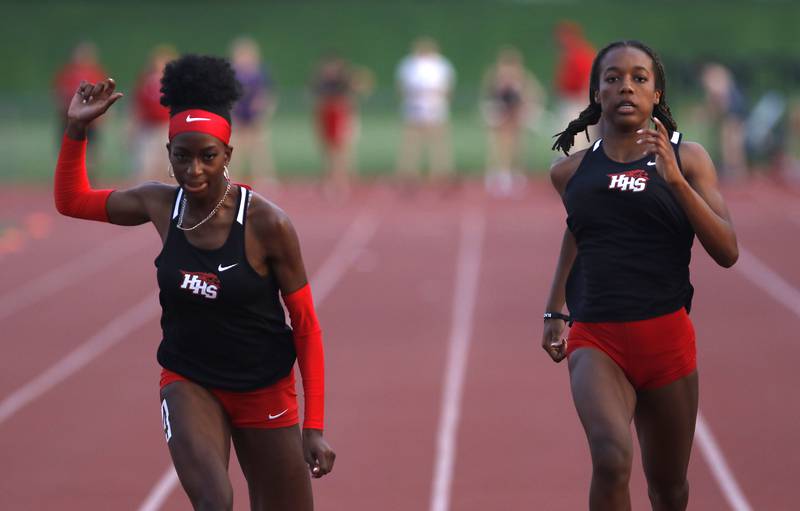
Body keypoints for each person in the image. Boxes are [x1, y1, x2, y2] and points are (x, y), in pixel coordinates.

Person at [53, 54, 335, 510]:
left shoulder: (267, 224)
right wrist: (77, 130)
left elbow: (305, 324)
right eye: (181, 157)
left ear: (228, 155)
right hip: (191, 380)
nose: (194, 171)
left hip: (263, 385)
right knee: (213, 500)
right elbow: (72, 201)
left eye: (207, 157)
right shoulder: (160, 205)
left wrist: (314, 425)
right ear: (168, 155)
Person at [542, 41, 738, 511]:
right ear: (597, 93)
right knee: (611, 458)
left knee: (669, 490)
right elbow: (580, 230)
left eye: (638, 78)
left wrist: (674, 181)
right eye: (613, 78)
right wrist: (554, 308)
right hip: (597, 339)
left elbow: (727, 250)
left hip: (666, 340)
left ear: (656, 94)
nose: (625, 86)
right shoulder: (570, 172)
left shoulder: (688, 160)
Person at [481, 46, 544, 197]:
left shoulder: (522, 76)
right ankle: (498, 172)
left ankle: (515, 172)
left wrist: (528, 106)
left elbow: (534, 92)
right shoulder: (495, 76)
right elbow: (488, 94)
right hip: (501, 114)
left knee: (516, 144)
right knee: (499, 144)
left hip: (515, 114)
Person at [395, 37, 456, 188]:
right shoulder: (409, 64)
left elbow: (447, 88)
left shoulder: (441, 65)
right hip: (414, 107)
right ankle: (409, 174)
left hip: (435, 107)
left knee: (438, 142)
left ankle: (440, 174)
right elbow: (402, 87)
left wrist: (435, 98)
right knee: (411, 143)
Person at [311, 53, 373, 201]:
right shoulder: (321, 81)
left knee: (342, 149)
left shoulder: (345, 80)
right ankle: (331, 179)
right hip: (326, 117)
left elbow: (360, 89)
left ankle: (342, 181)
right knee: (329, 150)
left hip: (342, 117)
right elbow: (316, 99)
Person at [53, 41, 107, 175]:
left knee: (91, 153)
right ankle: (71, 176)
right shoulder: (67, 73)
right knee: (68, 152)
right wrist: (63, 110)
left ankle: (89, 178)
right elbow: (58, 93)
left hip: (90, 121)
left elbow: (104, 95)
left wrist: (102, 116)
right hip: (70, 120)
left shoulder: (96, 72)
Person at [230, 37, 278, 188]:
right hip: (238, 116)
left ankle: (263, 177)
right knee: (234, 149)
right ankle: (232, 178)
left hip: (255, 117)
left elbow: (268, 95)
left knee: (258, 148)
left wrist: (263, 112)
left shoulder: (260, 73)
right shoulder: (232, 73)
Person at [130, 44, 177, 181]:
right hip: (148, 127)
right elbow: (137, 103)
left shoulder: (174, 80)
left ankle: (169, 198)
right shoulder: (146, 78)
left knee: (169, 166)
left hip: (167, 127)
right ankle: (144, 197)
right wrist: (133, 125)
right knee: (146, 165)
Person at [553, 21, 596, 152]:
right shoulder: (568, 54)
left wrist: (587, 100)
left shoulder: (581, 53)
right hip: (568, 99)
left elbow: (589, 77)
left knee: (578, 137)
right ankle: (570, 164)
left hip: (577, 100)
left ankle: (578, 166)